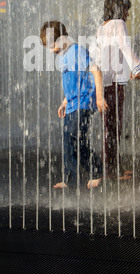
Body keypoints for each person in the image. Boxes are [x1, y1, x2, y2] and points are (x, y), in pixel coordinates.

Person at [40, 20, 107, 190]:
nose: (50, 50)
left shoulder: (76, 51)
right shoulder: (64, 55)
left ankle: (97, 171)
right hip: (72, 104)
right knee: (69, 140)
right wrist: (65, 101)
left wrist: (99, 97)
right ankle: (70, 178)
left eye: (51, 46)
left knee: (75, 138)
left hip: (83, 102)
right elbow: (73, 82)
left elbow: (95, 70)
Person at [90, 0, 140, 180]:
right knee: (114, 129)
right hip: (114, 85)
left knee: (109, 128)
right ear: (119, 9)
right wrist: (137, 67)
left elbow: (97, 59)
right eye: (126, 10)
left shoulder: (101, 28)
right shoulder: (118, 24)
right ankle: (110, 172)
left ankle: (113, 168)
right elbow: (125, 47)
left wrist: (98, 91)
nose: (127, 15)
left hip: (104, 84)